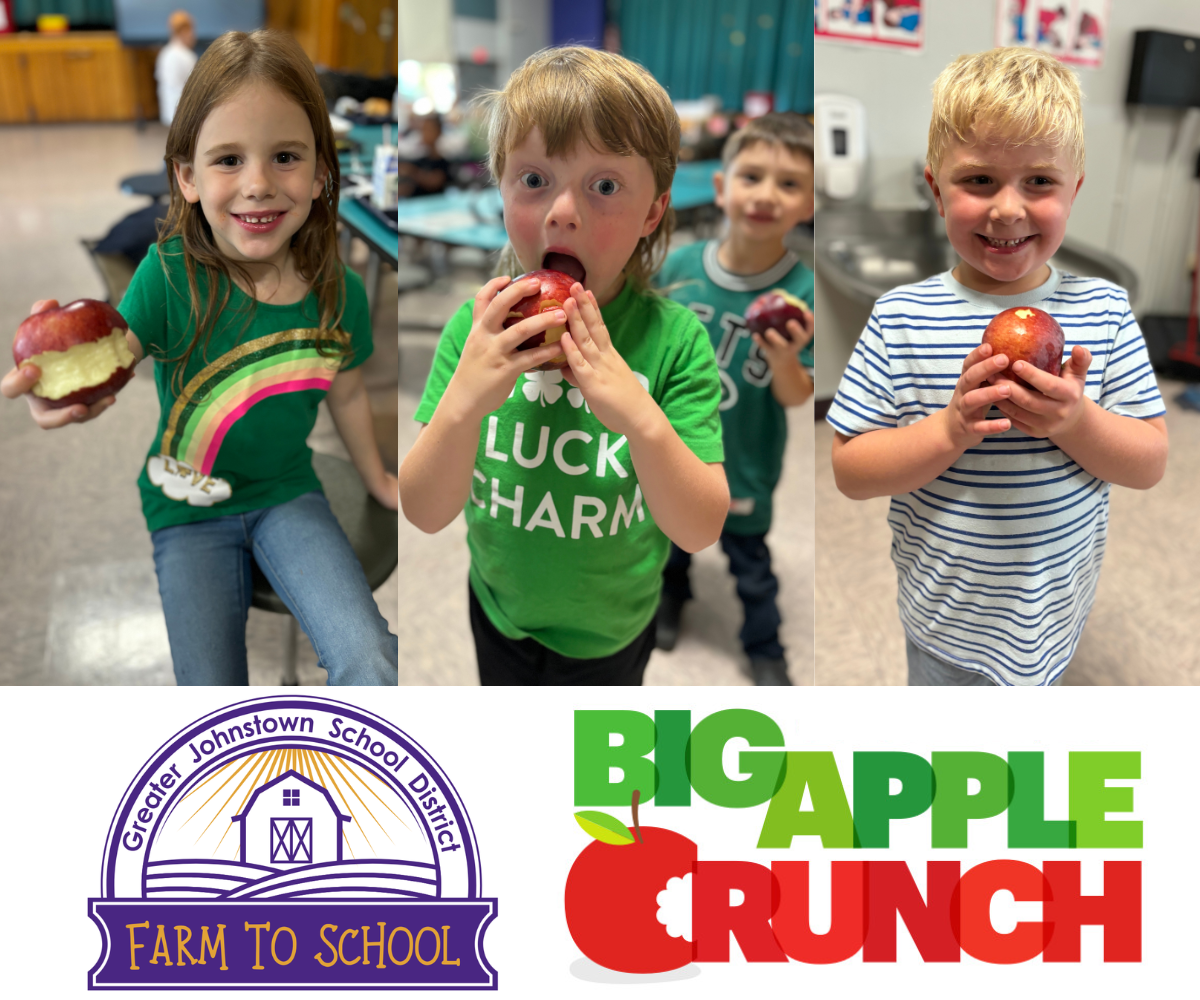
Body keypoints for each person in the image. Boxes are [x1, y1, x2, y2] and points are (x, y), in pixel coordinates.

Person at [2, 30, 399, 685]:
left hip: (286, 496)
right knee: (209, 693)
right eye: (227, 160)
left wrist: (380, 477)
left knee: (372, 659)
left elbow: (348, 391)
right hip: (185, 508)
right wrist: (64, 380)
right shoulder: (167, 276)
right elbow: (111, 363)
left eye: (286, 156)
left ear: (322, 172)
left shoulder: (339, 290)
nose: (259, 184)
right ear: (186, 176)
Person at [827, 48, 1168, 686]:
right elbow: (851, 470)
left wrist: (1075, 421)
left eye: (1039, 181)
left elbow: (1148, 461)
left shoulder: (1105, 308)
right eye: (979, 180)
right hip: (946, 623)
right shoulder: (901, 315)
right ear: (936, 188)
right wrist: (950, 430)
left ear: (1075, 190)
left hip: (1056, 614)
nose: (1007, 208)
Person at [399, 46, 728, 685]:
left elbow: (700, 527)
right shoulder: (477, 330)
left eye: (605, 186)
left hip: (613, 631)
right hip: (499, 613)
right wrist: (463, 403)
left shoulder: (675, 341)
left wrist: (640, 419)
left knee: (591, 783)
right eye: (533, 180)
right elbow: (424, 510)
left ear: (653, 212)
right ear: (498, 187)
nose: (562, 211)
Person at [654, 112, 815, 686]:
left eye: (790, 184)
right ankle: (673, 596)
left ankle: (763, 644)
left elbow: (797, 396)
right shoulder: (675, 269)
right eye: (751, 176)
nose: (767, 194)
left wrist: (785, 358)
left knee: (751, 565)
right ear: (722, 189)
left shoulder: (802, 292)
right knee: (670, 541)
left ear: (809, 205)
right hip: (675, 450)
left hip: (746, 457)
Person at [156, 10, 198, 126]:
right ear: (183, 31)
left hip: (169, 113)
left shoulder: (164, 53)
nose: (194, 35)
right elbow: (194, 86)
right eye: (191, 30)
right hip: (184, 114)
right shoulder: (187, 56)